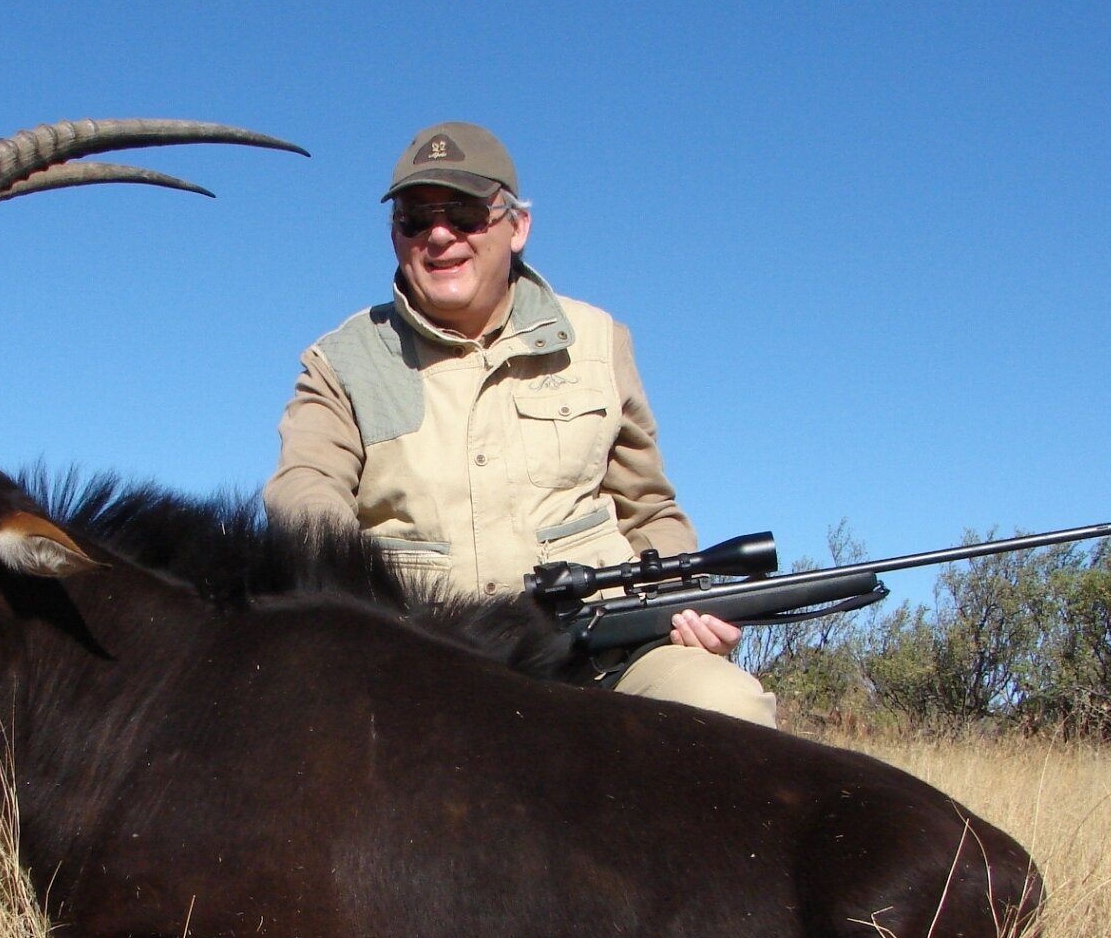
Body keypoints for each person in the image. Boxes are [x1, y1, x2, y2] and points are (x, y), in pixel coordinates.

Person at [264, 123, 775, 727]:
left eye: (466, 214)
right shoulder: (341, 360)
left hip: (599, 654)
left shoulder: (597, 340)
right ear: (394, 234)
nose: (439, 235)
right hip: (418, 662)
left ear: (517, 225)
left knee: (726, 708)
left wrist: (684, 602)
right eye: (414, 218)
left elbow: (648, 511)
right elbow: (305, 493)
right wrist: (372, 610)